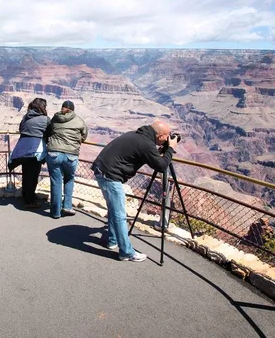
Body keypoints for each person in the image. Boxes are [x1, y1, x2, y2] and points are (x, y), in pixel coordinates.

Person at [91, 120, 178, 262]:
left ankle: (113, 241)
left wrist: (160, 151)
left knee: (114, 210)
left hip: (102, 170)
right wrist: (170, 149)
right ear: (160, 135)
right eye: (167, 136)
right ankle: (126, 252)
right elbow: (161, 166)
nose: (168, 138)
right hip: (110, 176)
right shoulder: (146, 143)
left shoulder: (138, 136)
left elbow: (149, 157)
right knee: (120, 214)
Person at [45, 100, 88, 219]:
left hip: (54, 153)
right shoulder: (79, 120)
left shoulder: (55, 118)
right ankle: (67, 207)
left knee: (56, 182)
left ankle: (55, 212)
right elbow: (84, 136)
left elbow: (49, 131)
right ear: (73, 109)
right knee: (69, 179)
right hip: (71, 155)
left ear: (62, 108)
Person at [8, 98, 50, 209]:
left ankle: (26, 195)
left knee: (26, 173)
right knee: (34, 175)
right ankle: (29, 201)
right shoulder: (45, 119)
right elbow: (49, 132)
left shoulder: (25, 117)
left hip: (22, 148)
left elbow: (21, 129)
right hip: (35, 150)